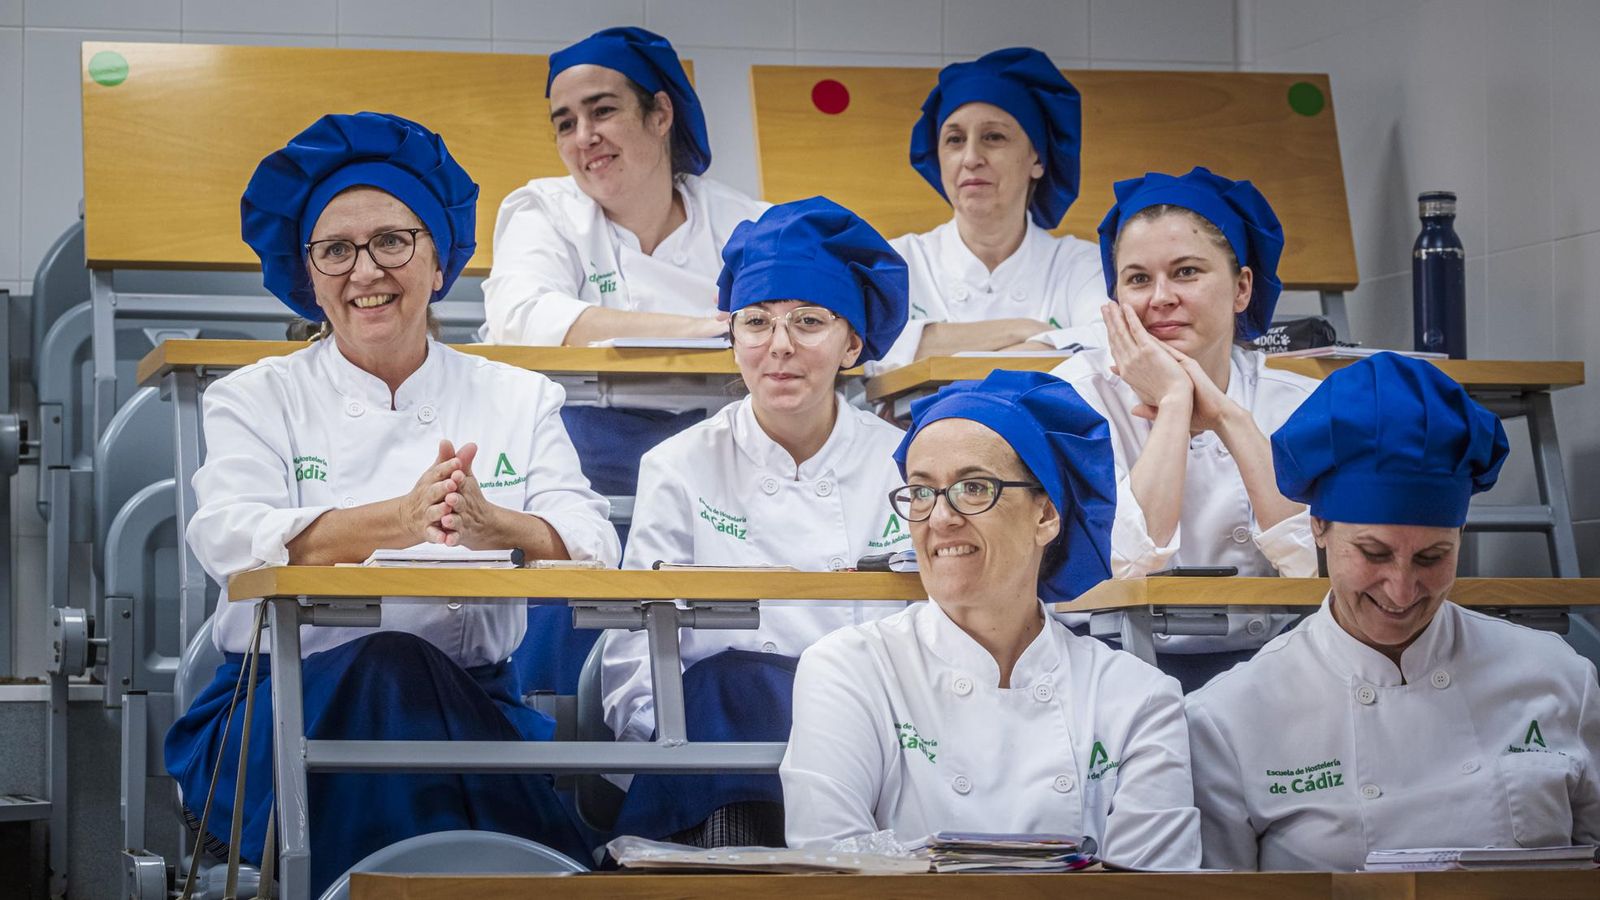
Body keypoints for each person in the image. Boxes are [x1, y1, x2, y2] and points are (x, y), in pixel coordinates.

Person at [164, 112, 619, 894]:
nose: (364, 270)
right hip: (279, 712)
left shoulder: (518, 395)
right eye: (335, 250)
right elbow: (230, 537)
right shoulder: (254, 397)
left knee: (403, 670)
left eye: (392, 242)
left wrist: (493, 526)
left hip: (475, 707)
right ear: (309, 275)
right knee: (385, 663)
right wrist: (400, 520)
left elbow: (592, 545)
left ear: (438, 262)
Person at [1187, 352, 1600, 871]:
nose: (1402, 590)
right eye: (1373, 553)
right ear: (1318, 528)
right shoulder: (1232, 718)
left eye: (1433, 557)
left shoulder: (1559, 677)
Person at [781, 370, 1202, 868]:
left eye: (973, 488)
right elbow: (831, 871)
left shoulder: (1137, 698)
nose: (940, 519)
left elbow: (1156, 892)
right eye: (921, 492)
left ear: (1045, 514)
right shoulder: (849, 670)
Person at [603, 196, 911, 846]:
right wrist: (675, 745)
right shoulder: (679, 466)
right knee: (730, 681)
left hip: (876, 739)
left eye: (808, 321)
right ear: (733, 336)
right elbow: (632, 654)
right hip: (713, 751)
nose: (780, 347)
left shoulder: (904, 465)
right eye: (757, 323)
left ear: (851, 341)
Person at [482, 26, 769, 694]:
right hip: (576, 443)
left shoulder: (743, 223)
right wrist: (701, 326)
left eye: (603, 110)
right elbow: (523, 319)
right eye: (565, 122)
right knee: (559, 568)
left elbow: (781, 321)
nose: (584, 136)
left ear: (660, 114)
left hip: (715, 444)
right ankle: (551, 757)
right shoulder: (543, 210)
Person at [1053, 167, 1317, 676]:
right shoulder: (1076, 399)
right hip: (1103, 666)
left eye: (1187, 272)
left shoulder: (1297, 403)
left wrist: (1224, 415)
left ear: (1242, 288)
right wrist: (1175, 404)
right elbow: (1117, 570)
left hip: (1276, 663)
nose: (1160, 298)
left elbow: (1317, 565)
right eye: (1137, 279)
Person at [876, 47, 1106, 370]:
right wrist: (1025, 331)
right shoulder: (898, 263)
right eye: (954, 140)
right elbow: (871, 348)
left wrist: (937, 352)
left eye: (993, 137)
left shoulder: (1078, 266)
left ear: (1037, 158)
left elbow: (1105, 343)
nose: (971, 158)